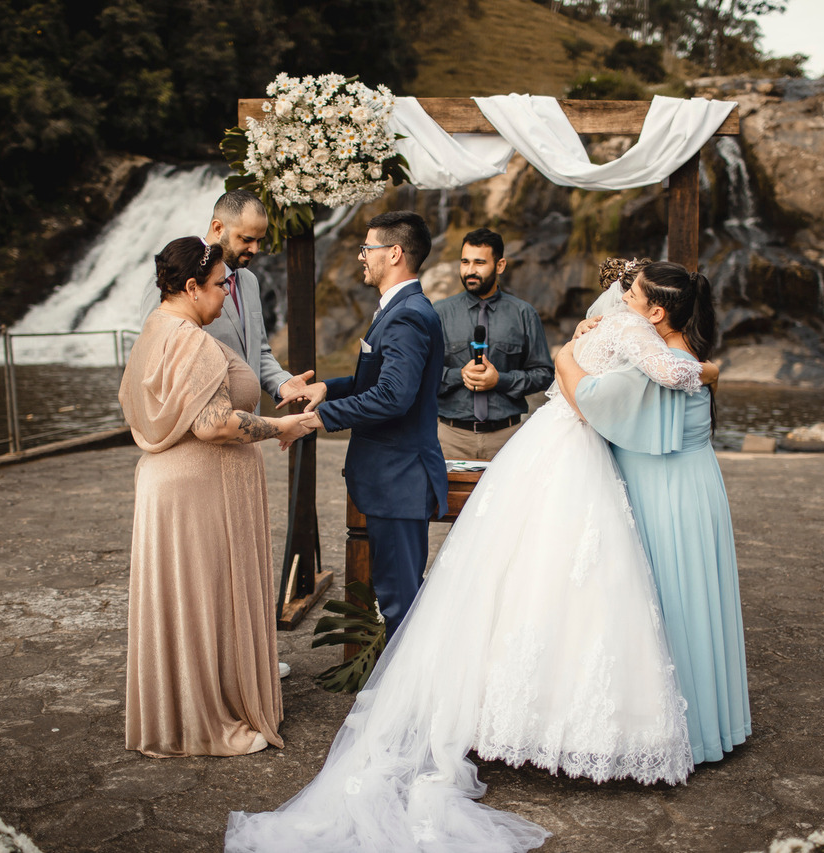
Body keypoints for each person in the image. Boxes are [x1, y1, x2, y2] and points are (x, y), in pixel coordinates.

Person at [225, 259, 717, 853]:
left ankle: (486, 710)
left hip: (544, 442)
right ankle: (549, 717)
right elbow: (677, 372)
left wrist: (566, 355)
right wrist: (708, 367)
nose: (622, 291)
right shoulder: (634, 328)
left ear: (652, 304)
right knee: (579, 573)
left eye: (631, 287)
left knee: (517, 566)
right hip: (574, 447)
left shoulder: (608, 320)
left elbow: (571, 361)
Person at [118, 236, 314, 757]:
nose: (228, 294)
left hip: (165, 485)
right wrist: (279, 426)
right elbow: (212, 424)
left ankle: (179, 713)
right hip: (199, 491)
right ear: (190, 287)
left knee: (185, 604)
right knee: (205, 601)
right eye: (219, 285)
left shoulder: (153, 331)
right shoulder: (193, 342)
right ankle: (206, 724)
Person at [557, 259, 750, 767]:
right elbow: (696, 373)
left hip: (663, 492)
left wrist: (566, 354)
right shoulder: (688, 351)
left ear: (658, 312)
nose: (621, 302)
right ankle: (710, 726)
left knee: (667, 604)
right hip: (696, 485)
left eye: (632, 298)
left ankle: (676, 732)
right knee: (694, 600)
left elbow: (588, 400)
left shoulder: (652, 364)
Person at [295, 211, 447, 639]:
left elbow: (394, 397)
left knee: (401, 603)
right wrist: (328, 388)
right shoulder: (399, 309)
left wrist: (319, 419)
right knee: (395, 595)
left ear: (394, 253)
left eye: (368, 248)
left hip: (398, 480)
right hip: (391, 480)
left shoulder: (408, 315)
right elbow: (381, 381)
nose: (361, 257)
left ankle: (410, 702)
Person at [137, 190, 323, 414]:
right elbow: (155, 356)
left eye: (259, 241)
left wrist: (283, 383)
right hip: (198, 425)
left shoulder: (250, 281)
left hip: (248, 427)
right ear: (218, 228)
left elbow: (258, 352)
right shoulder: (172, 276)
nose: (255, 249)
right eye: (246, 239)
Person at [434, 228, 553, 460]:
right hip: (450, 438)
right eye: (465, 262)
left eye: (479, 263)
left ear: (500, 266)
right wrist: (460, 375)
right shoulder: (438, 313)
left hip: (508, 438)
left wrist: (500, 380)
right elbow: (422, 372)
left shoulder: (524, 313)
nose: (470, 271)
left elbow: (544, 374)